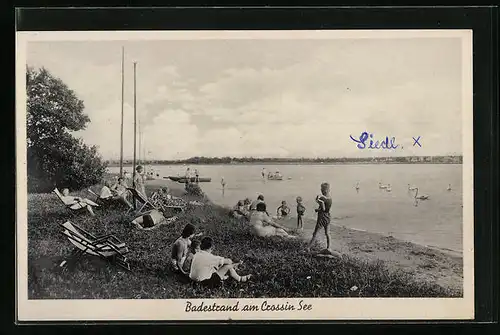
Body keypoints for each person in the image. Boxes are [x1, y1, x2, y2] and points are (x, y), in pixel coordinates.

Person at [307, 182, 333, 252]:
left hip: (322, 217)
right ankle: (329, 247)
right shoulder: (330, 198)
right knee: (327, 233)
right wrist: (319, 208)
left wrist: (317, 201)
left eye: (322, 189)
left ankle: (308, 248)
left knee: (315, 233)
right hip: (328, 216)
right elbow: (326, 209)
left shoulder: (322, 198)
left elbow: (323, 208)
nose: (321, 190)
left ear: (325, 190)